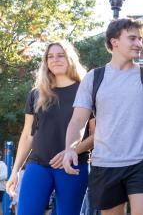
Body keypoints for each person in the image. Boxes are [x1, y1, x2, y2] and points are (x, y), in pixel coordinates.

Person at [62, 18, 143, 215]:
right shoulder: (94, 78)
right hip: (105, 164)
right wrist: (70, 148)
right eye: (132, 38)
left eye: (140, 39)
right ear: (115, 42)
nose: (139, 44)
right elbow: (78, 120)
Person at [5, 42, 93, 215]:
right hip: (38, 166)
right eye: (50, 56)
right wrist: (14, 172)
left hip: (73, 166)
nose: (55, 60)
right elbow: (27, 135)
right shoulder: (37, 93)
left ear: (70, 58)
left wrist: (71, 151)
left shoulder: (86, 91)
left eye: (60, 55)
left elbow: (97, 134)